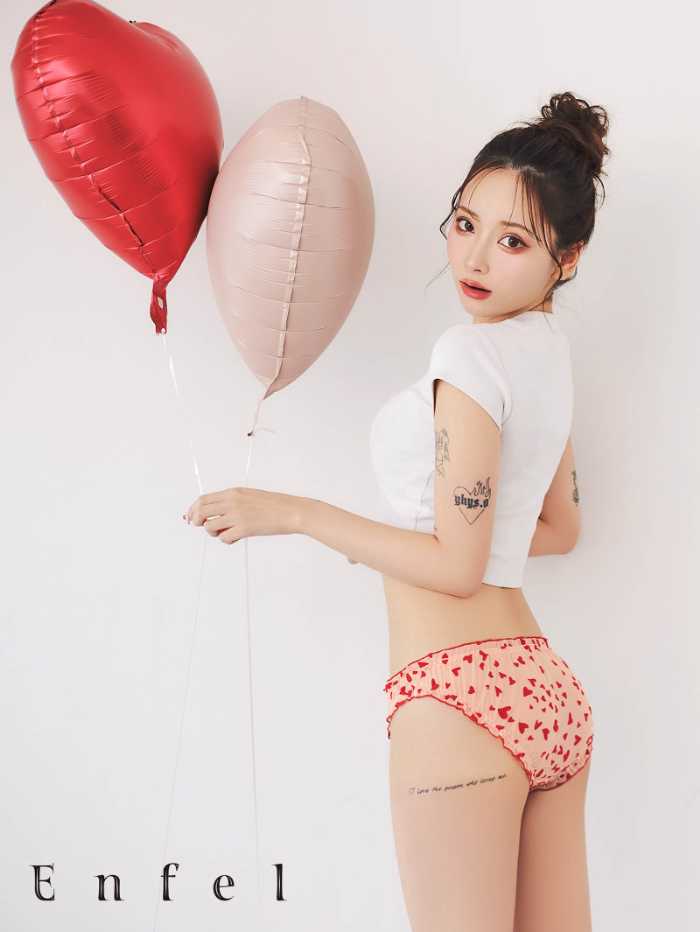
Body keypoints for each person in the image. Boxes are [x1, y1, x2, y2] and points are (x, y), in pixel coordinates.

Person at [185, 89, 610, 932]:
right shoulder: (549, 354)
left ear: (568, 258)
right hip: (547, 690)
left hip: (458, 698)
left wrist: (297, 513)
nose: (475, 258)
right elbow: (558, 529)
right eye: (465, 224)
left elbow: (456, 566)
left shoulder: (470, 354)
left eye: (513, 241)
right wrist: (404, 538)